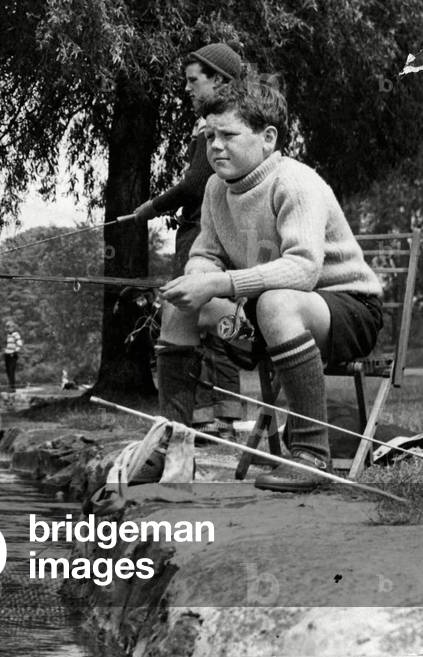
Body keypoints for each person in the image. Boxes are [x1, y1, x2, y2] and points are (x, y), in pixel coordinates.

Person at [157, 80, 383, 492]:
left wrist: (221, 283)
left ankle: (312, 456)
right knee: (179, 306)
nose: (216, 146)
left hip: (345, 314)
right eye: (209, 136)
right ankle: (170, 450)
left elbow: (302, 271)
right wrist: (195, 279)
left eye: (228, 135)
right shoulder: (214, 189)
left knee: (277, 302)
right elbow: (206, 253)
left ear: (267, 138)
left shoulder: (294, 182)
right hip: (264, 317)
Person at [133, 42, 246, 441]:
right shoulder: (219, 121)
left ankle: (205, 420)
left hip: (206, 235)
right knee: (193, 318)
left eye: (193, 80)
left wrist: (150, 207)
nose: (187, 88)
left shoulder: (220, 125)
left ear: (219, 80)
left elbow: (197, 184)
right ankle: (199, 418)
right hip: (203, 229)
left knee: (195, 314)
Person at [3, 319, 23, 392]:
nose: (8, 329)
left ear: (13, 327)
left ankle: (12, 388)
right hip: (7, 354)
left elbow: (20, 344)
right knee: (8, 371)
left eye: (9, 327)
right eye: (7, 327)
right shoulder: (8, 335)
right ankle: (10, 386)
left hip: (12, 354)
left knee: (11, 371)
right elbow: (7, 344)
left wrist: (15, 351)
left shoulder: (16, 334)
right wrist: (5, 350)